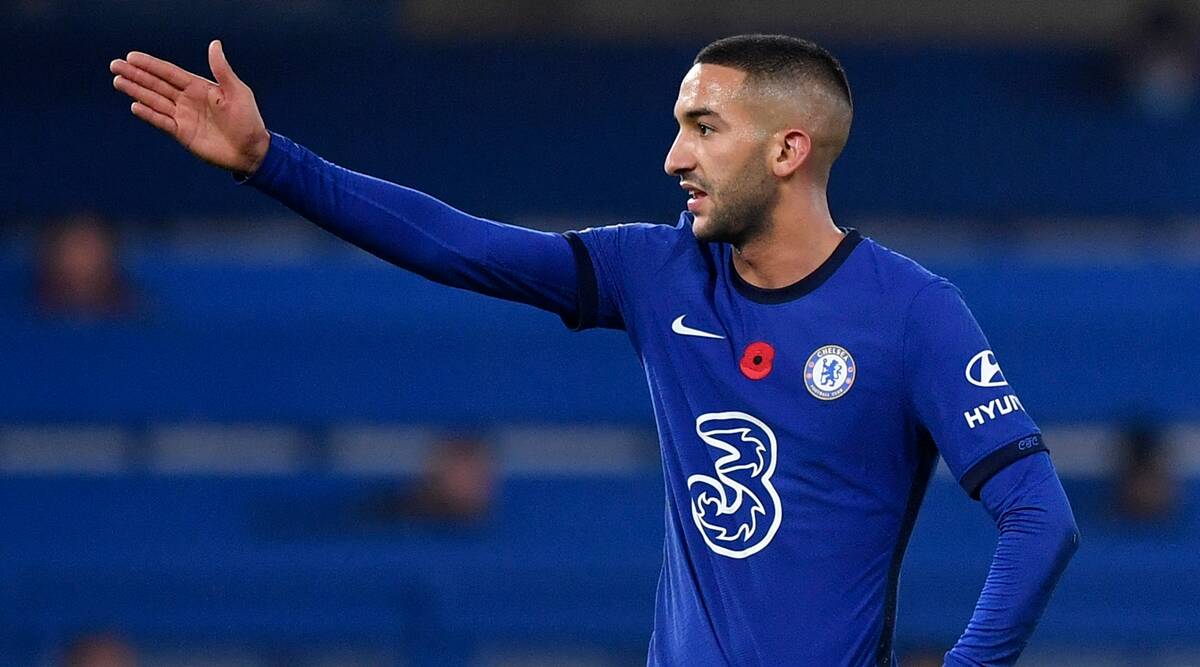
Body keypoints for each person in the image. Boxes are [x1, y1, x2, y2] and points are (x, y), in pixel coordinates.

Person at [110, 35, 1079, 666]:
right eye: (678, 127)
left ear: (788, 150)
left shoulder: (911, 312)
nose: (673, 156)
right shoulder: (656, 271)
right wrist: (270, 161)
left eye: (704, 128)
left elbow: (1039, 515)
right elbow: (460, 244)